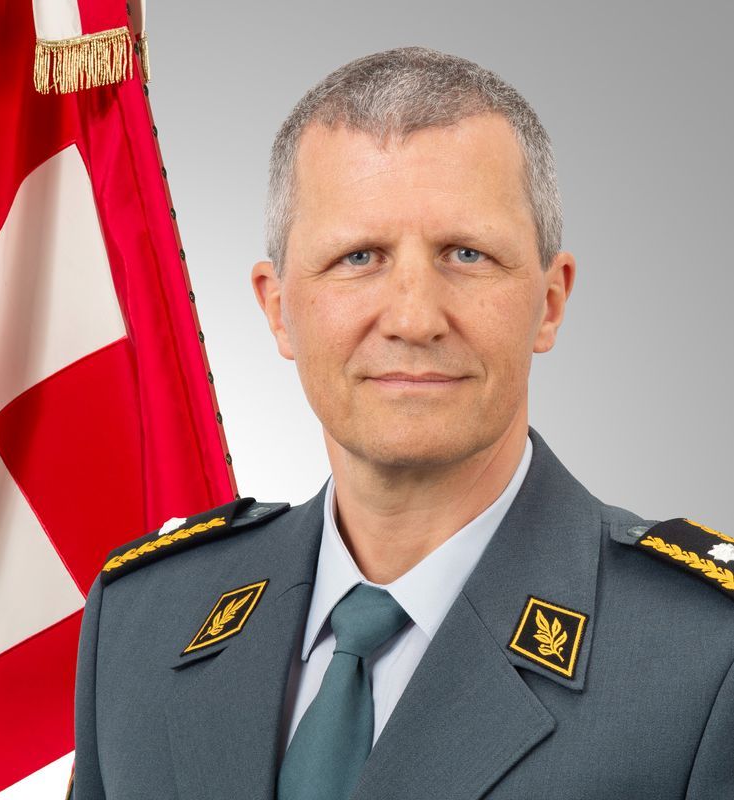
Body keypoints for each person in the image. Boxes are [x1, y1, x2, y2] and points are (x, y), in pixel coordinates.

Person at [68, 45, 733, 800]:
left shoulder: (705, 659)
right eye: (359, 257)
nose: (414, 319)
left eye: (466, 254)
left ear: (549, 303)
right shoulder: (142, 622)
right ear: (278, 310)